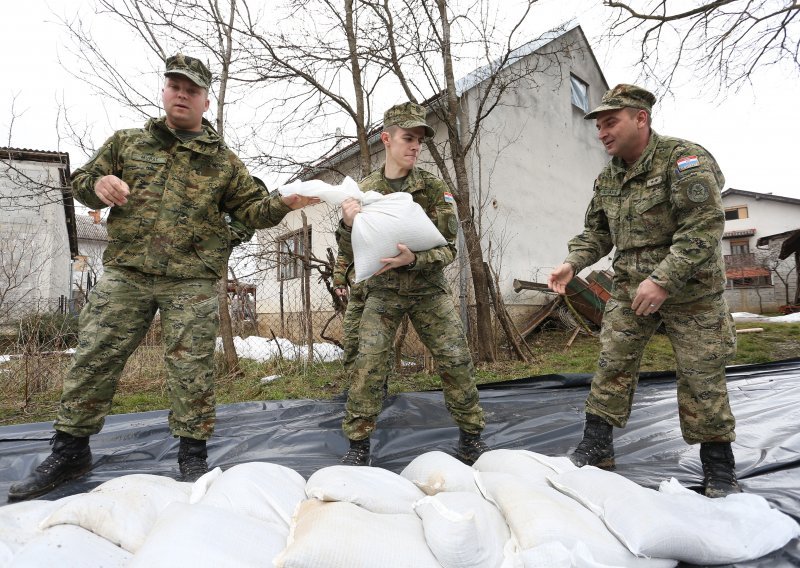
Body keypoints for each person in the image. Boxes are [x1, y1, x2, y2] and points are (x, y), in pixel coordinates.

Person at [8, 54, 316, 501]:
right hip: (127, 271)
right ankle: (70, 451)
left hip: (190, 279)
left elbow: (251, 211)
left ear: (206, 101)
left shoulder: (225, 163)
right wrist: (97, 185)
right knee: (94, 356)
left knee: (192, 369)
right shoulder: (129, 142)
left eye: (192, 90)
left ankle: (193, 456)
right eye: (175, 86)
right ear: (165, 90)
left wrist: (286, 203)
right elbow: (81, 179)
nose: (182, 95)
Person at [548, 84, 740, 498]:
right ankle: (597, 447)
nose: (602, 132)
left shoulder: (684, 160)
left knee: (701, 377)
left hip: (692, 294)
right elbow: (597, 233)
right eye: (598, 126)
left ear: (641, 118)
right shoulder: (608, 177)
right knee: (611, 364)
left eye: (610, 122)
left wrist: (664, 280)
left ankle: (719, 467)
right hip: (631, 290)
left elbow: (703, 226)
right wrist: (572, 262)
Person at [336, 102, 488, 467]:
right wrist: (346, 224)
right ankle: (358, 446)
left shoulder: (434, 189)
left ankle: (471, 437)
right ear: (387, 139)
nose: (415, 146)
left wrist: (415, 259)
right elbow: (350, 250)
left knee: (455, 359)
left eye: (419, 140)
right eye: (408, 138)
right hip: (382, 292)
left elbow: (449, 250)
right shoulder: (365, 191)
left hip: (426, 290)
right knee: (368, 363)